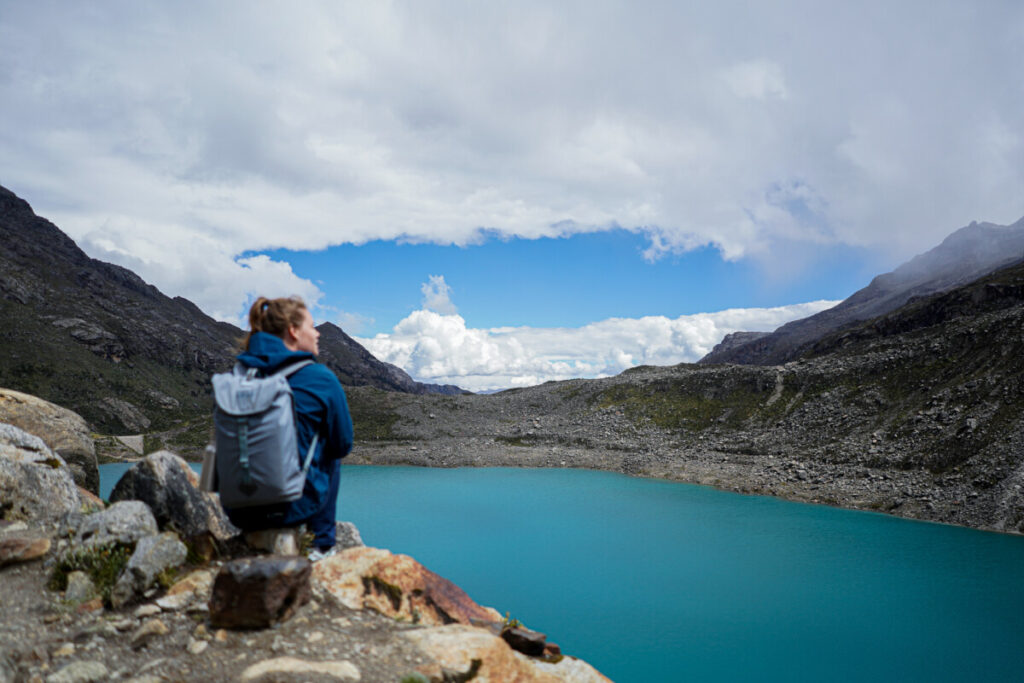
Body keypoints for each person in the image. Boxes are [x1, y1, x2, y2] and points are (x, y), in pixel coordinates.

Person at [222, 296, 353, 561]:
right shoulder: (320, 377)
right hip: (291, 508)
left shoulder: (241, 374)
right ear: (293, 331)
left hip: (238, 509)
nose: (317, 333)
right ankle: (323, 546)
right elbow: (343, 443)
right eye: (312, 326)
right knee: (329, 450)